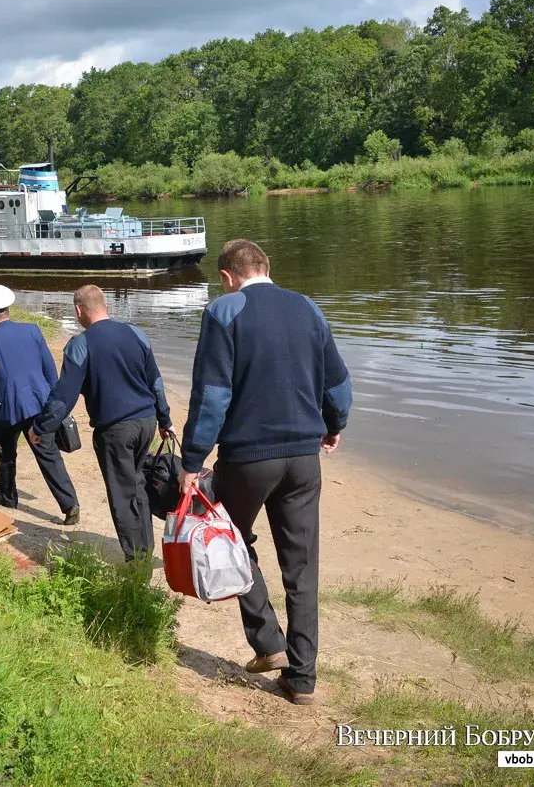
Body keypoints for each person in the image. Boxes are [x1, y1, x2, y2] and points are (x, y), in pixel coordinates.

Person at [179, 239, 352, 706]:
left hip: (248, 456)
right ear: (267, 268)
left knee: (231, 538)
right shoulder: (309, 308)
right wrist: (334, 425)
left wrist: (192, 461)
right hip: (303, 456)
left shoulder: (223, 310)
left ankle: (269, 642)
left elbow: (212, 395)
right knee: (302, 565)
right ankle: (303, 678)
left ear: (227, 276)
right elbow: (337, 383)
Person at [29, 285, 173, 560]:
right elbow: (156, 382)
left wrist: (41, 427)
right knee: (137, 483)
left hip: (115, 429)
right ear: (105, 306)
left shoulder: (80, 344)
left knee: (122, 493)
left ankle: (137, 560)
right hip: (146, 422)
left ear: (78, 310)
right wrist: (165, 419)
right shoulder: (136, 333)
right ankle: (146, 549)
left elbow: (63, 396)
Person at [0, 284, 80, 526]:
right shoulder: (32, 330)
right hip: (38, 405)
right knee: (49, 455)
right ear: (8, 309)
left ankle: (8, 498)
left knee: (7, 454)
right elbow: (50, 370)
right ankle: (70, 504)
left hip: (7, 408)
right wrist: (53, 403)